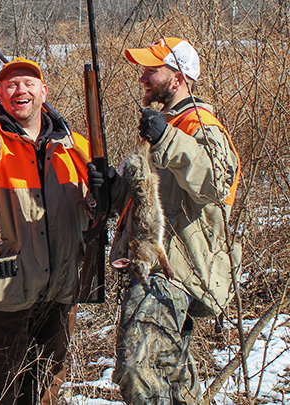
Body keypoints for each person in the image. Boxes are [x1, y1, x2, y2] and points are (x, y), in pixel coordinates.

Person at [0, 57, 98, 405]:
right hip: (6, 286)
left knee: (47, 381)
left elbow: (102, 209)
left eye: (28, 83)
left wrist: (107, 189)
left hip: (60, 287)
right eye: (11, 85)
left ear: (44, 91)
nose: (20, 90)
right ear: (0, 93)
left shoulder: (74, 147)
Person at [110, 37, 241, 404]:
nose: (143, 79)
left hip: (175, 272)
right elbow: (153, 196)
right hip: (155, 267)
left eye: (152, 70)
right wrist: (110, 189)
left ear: (179, 76)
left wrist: (168, 138)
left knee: (139, 368)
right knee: (169, 371)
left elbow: (218, 182)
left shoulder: (201, 125)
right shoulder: (164, 126)